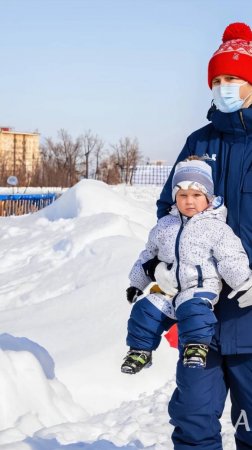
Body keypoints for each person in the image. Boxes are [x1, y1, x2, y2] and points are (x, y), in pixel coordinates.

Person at [155, 21, 252, 450]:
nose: (224, 86)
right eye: (217, 79)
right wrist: (167, 259)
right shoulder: (198, 141)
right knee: (193, 421)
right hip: (202, 314)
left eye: (233, 78)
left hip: (251, 314)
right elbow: (167, 208)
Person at [121, 157, 251, 375]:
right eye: (182, 195)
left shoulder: (215, 227)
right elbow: (148, 255)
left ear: (208, 197)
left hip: (199, 287)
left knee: (194, 311)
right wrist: (137, 283)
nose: (189, 201)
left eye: (196, 195)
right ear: (175, 197)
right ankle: (139, 351)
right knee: (145, 309)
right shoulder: (165, 225)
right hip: (168, 288)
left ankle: (196, 347)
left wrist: (244, 282)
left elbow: (230, 256)